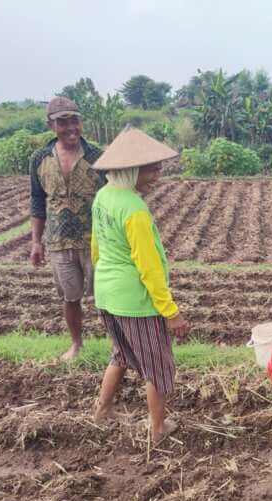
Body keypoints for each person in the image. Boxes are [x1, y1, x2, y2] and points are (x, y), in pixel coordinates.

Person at [89, 126, 190, 445]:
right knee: (157, 366)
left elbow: (96, 247)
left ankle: (101, 412)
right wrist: (171, 312)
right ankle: (158, 429)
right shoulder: (134, 210)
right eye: (153, 168)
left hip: (107, 293)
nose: (158, 175)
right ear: (132, 169)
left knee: (121, 354)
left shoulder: (104, 196)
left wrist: (106, 283)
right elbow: (149, 268)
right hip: (135, 301)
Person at [30, 96, 105, 360]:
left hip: (96, 240)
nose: (71, 127)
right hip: (59, 241)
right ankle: (76, 344)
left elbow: (112, 197)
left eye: (75, 120)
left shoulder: (99, 157)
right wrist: (36, 242)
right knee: (70, 298)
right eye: (63, 122)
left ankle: (118, 347)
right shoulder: (39, 159)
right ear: (51, 126)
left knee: (107, 296)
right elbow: (37, 200)